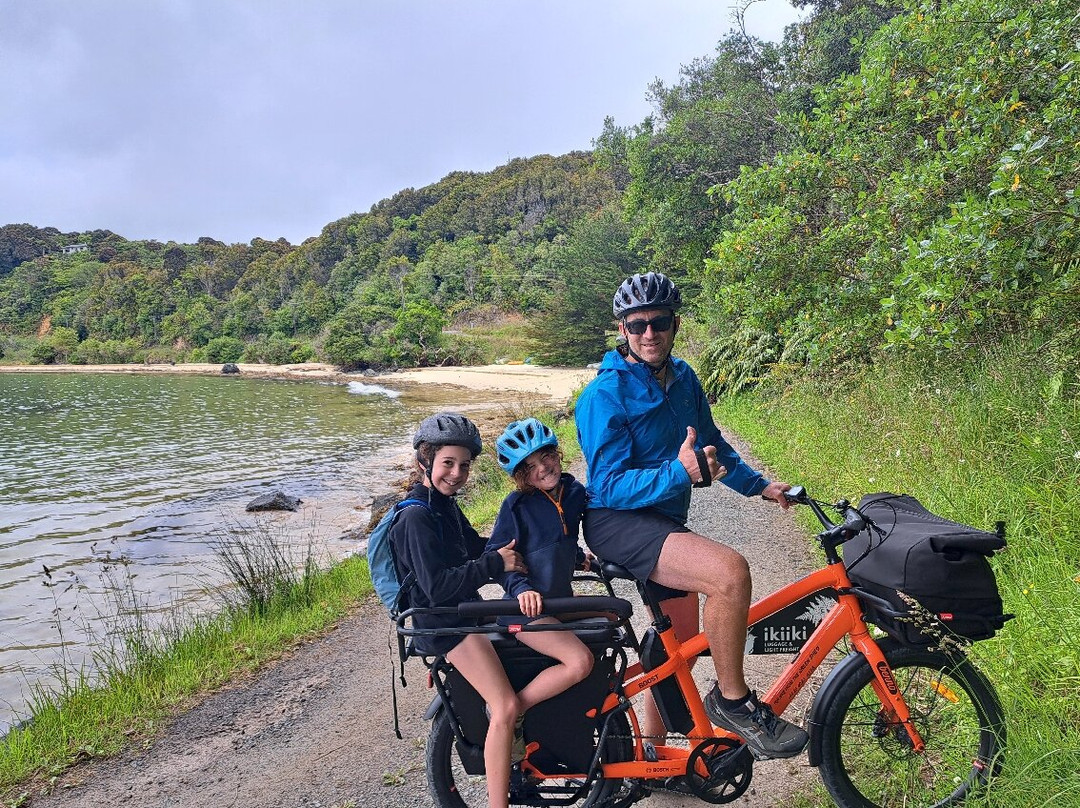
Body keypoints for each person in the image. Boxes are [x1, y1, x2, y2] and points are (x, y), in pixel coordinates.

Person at [574, 271, 809, 760]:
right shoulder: (604, 395)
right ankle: (733, 703)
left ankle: (653, 756)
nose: (649, 334)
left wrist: (760, 486)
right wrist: (678, 473)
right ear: (622, 331)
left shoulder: (683, 378)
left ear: (674, 324)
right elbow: (608, 486)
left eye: (659, 322)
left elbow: (713, 446)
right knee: (729, 573)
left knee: (676, 648)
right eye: (637, 325)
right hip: (616, 522)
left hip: (662, 522)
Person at [389, 412, 526, 808]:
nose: (457, 473)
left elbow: (476, 548)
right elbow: (436, 588)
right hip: (446, 626)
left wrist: (526, 548)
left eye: (464, 465)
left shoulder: (443, 506)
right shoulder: (415, 517)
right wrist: (495, 563)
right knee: (506, 704)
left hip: (464, 614)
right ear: (424, 461)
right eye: (448, 463)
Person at [484, 417, 595, 708]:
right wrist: (520, 589)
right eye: (530, 466)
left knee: (611, 617)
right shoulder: (516, 506)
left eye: (545, 456)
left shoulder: (574, 493)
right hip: (524, 612)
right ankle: (512, 711)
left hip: (557, 602)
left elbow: (559, 537)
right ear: (521, 475)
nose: (543, 468)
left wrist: (578, 557)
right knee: (580, 661)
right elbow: (495, 557)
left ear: (557, 454)